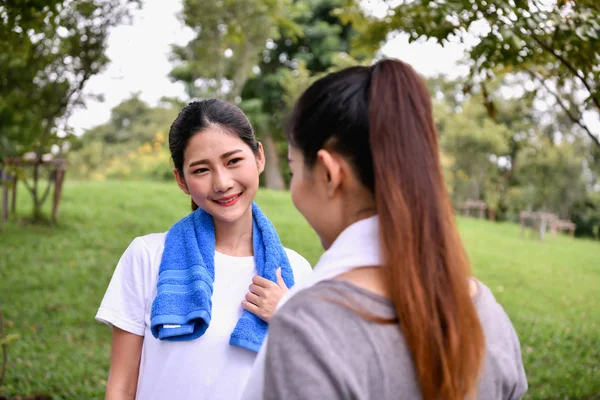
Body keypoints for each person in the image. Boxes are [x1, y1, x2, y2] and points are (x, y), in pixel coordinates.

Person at [242, 59, 527, 400]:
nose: (294, 189)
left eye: (294, 170)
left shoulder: (309, 330)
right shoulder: (486, 313)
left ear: (329, 174)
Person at [95, 99, 312, 400]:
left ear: (259, 157)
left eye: (233, 161)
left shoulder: (295, 271)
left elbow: (307, 382)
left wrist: (287, 317)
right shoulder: (147, 256)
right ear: (181, 181)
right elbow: (120, 387)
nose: (222, 182)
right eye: (201, 170)